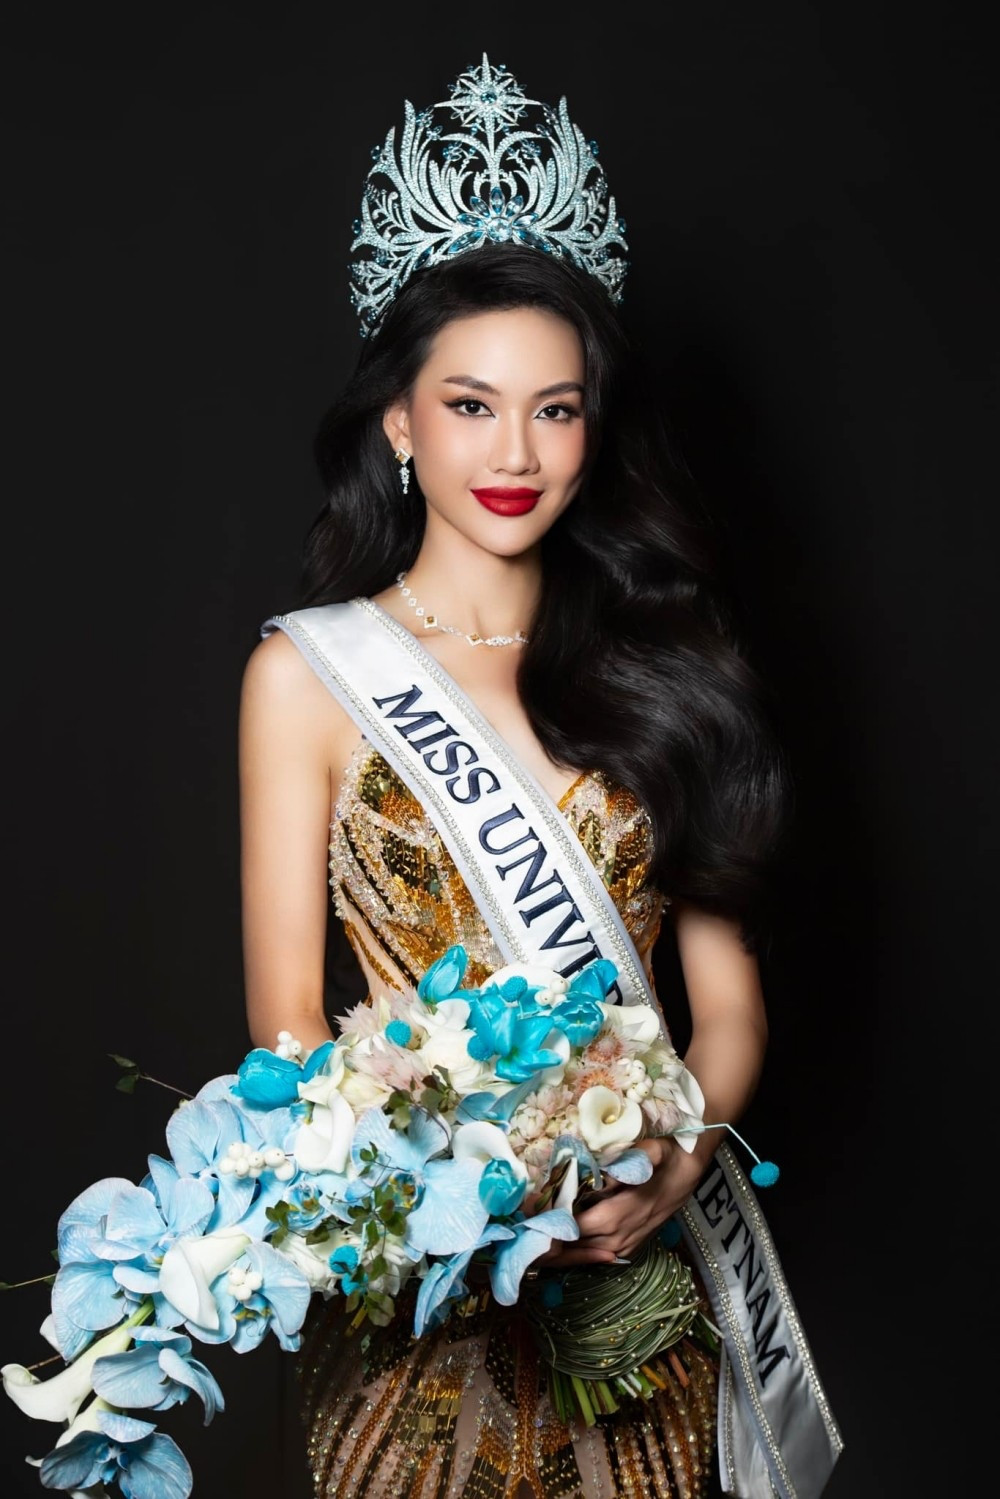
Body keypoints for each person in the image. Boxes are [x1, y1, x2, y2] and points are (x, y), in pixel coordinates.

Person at [237, 57, 842, 1499]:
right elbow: (288, 1025)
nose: (515, 453)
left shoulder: (671, 659)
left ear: (593, 427)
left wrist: (669, 1172)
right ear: (400, 422)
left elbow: (730, 1011)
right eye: (471, 404)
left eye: (555, 410)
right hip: (417, 1319)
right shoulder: (308, 677)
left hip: (634, 1309)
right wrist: (449, 1195)